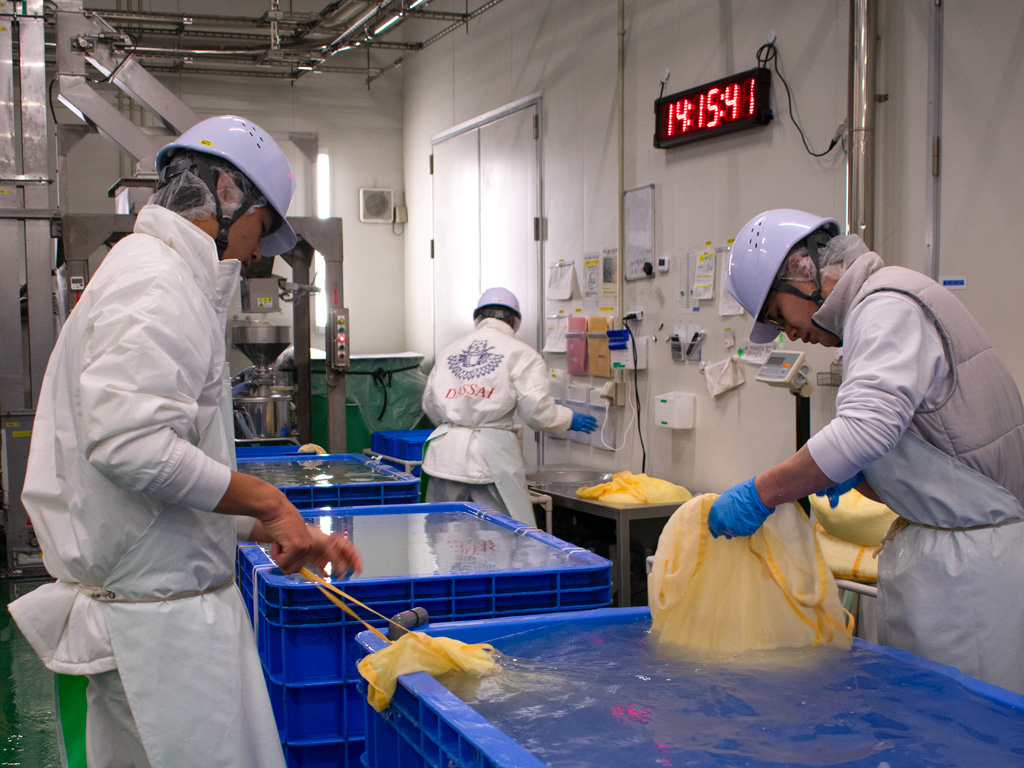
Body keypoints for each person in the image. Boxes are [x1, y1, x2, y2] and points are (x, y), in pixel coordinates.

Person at [8, 115, 362, 767]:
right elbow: (132, 446)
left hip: (164, 618)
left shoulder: (159, 275)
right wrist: (268, 502)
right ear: (226, 193)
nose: (256, 253)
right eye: (261, 227)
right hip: (161, 642)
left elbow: (161, 479)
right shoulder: (157, 281)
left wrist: (269, 527)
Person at [708, 208, 1024, 693]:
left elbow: (864, 431)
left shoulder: (886, 306)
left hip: (970, 584)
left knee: (962, 721)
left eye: (777, 315)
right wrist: (873, 477)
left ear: (802, 271)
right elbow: (931, 443)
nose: (789, 333)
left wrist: (761, 493)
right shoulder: (886, 302)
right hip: (954, 561)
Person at [421, 288, 598, 525]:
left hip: (444, 457)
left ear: (477, 318)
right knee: (502, 534)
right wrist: (567, 419)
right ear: (515, 321)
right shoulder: (522, 354)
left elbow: (430, 403)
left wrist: (457, 422)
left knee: (445, 533)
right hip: (490, 458)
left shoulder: (448, 352)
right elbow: (537, 412)